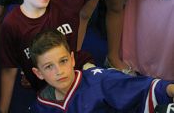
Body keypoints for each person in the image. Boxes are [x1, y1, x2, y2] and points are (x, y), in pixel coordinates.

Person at [0, 0, 144, 113]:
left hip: (78, 68)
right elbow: (9, 69)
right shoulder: (12, 25)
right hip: (46, 86)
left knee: (107, 85)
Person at [29, 29, 174, 113]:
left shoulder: (100, 80)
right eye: (49, 66)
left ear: (72, 59)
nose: (59, 71)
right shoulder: (41, 105)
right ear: (38, 73)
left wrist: (170, 89)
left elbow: (143, 86)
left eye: (63, 61)